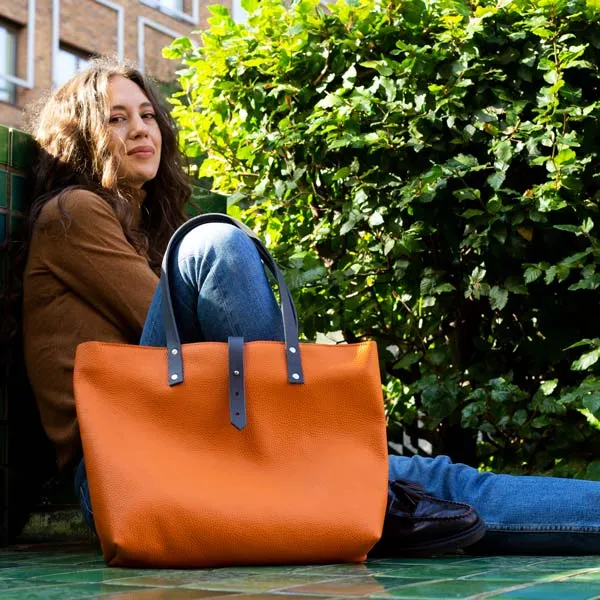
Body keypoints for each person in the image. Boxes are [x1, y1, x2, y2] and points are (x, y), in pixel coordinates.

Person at [22, 57, 600, 558]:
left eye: (147, 115)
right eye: (116, 118)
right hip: (128, 471)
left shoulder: (146, 227)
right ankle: (332, 469)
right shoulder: (72, 213)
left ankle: (347, 483)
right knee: (214, 242)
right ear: (83, 136)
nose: (140, 129)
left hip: (214, 450)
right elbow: (183, 337)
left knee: (443, 484)